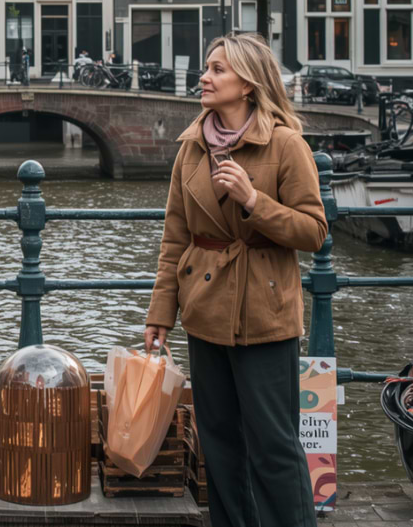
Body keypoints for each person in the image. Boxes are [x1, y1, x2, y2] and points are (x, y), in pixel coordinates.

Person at [143, 33, 327, 527]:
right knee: (219, 447)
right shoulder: (192, 148)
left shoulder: (285, 143)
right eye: (207, 67)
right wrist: (162, 312)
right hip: (204, 310)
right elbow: (175, 237)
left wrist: (253, 201)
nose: (205, 76)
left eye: (218, 69)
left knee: (274, 447)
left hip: (264, 315)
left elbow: (313, 231)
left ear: (248, 84)